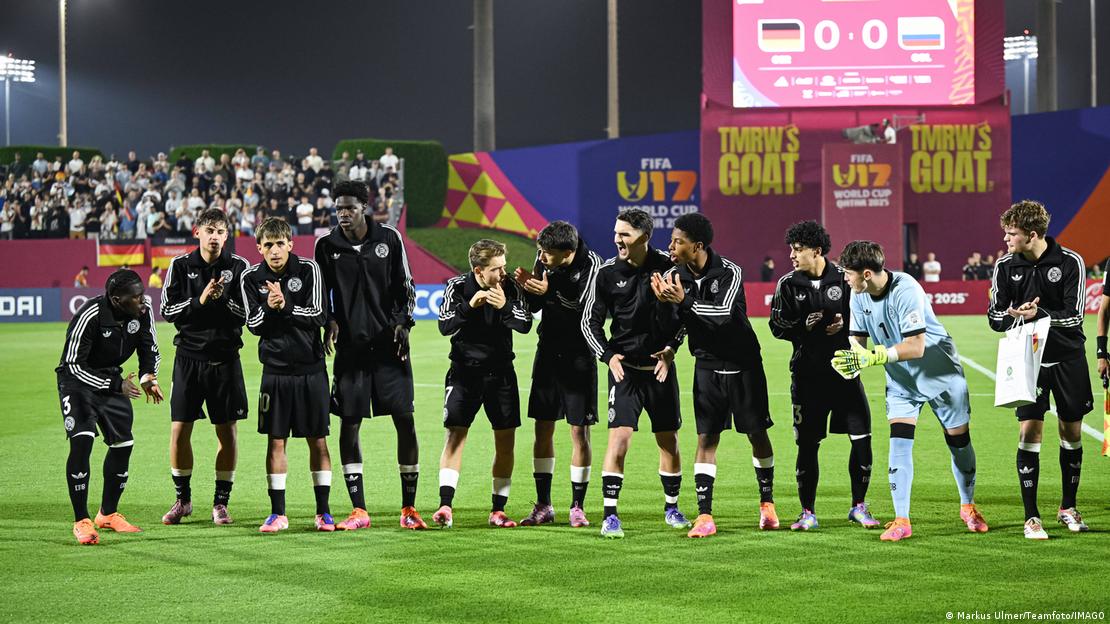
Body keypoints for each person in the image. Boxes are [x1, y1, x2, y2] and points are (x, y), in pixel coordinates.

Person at [832, 240, 988, 541]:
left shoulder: (906, 289)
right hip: (902, 383)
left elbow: (916, 347)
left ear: (866, 274)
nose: (845, 279)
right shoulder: (857, 295)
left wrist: (874, 356)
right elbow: (857, 340)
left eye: (848, 273)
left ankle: (968, 505)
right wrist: (854, 361)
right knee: (899, 443)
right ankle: (902, 519)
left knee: (959, 443)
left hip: (941, 375)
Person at [653, 213, 779, 538]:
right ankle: (705, 515)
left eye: (678, 241)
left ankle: (767, 504)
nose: (671, 246)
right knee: (706, 438)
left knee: (756, 434)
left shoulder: (729, 271)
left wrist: (684, 300)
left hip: (743, 364)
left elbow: (722, 313)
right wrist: (670, 344)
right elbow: (679, 322)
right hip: (706, 366)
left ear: (697, 246)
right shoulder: (672, 275)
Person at [314, 181, 427, 531]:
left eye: (349, 207)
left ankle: (409, 508)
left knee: (404, 420)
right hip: (351, 349)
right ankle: (358, 509)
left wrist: (403, 324)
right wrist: (329, 320)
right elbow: (321, 293)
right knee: (349, 422)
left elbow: (406, 288)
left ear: (364, 206)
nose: (343, 213)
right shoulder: (326, 245)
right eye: (338, 208)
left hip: (390, 347)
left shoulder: (389, 239)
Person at [582, 208, 690, 539]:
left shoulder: (670, 269)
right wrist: (607, 355)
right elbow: (589, 322)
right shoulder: (605, 273)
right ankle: (610, 515)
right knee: (620, 438)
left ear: (644, 237)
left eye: (624, 234)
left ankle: (672, 508)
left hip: (659, 369)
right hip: (625, 371)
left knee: (668, 440)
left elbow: (685, 318)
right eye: (616, 233)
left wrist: (671, 348)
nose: (617, 239)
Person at [988, 200, 1092, 539]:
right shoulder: (1005, 266)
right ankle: (1031, 517)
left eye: (1011, 234)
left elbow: (1075, 315)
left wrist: (1039, 314)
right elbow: (994, 317)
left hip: (1067, 358)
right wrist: (1014, 314)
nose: (1006, 239)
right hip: (1027, 360)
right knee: (1029, 432)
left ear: (1032, 235)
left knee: (1071, 433)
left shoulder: (1070, 261)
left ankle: (1068, 507)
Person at [769, 221, 878, 532]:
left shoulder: (845, 279)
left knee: (861, 438)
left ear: (816, 251)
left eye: (798, 249)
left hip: (845, 374)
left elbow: (865, 318)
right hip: (807, 378)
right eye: (791, 249)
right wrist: (803, 326)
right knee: (807, 445)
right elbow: (776, 326)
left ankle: (859, 506)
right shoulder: (787, 284)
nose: (792, 255)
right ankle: (807, 512)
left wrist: (844, 326)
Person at [240, 218, 334, 533]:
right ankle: (277, 513)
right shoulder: (250, 278)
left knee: (317, 440)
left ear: (290, 244)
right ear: (259, 248)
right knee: (276, 441)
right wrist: (270, 306)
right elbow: (253, 324)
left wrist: (286, 307)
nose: (275, 251)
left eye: (280, 244)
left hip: (311, 370)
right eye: (268, 245)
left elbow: (318, 314)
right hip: (275, 372)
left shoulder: (308, 270)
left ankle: (323, 512)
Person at [56, 269, 163, 545]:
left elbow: (149, 348)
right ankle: (81, 520)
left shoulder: (143, 311)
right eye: (136, 297)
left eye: (142, 294)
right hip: (78, 383)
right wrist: (115, 385)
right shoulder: (90, 315)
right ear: (116, 300)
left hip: (113, 380)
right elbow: (72, 364)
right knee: (82, 441)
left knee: (123, 444)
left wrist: (148, 377)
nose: (143, 300)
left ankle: (107, 514)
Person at [159, 209, 250, 526]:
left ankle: (221, 503)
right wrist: (199, 300)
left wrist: (223, 300)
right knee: (179, 430)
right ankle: (182, 500)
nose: (214, 236)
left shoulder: (239, 267)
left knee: (227, 432)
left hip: (225, 360)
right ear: (197, 231)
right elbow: (167, 309)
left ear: (227, 236)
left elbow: (248, 315)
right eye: (209, 230)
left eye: (220, 231)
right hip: (188, 359)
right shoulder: (180, 266)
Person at [433, 239, 532, 528]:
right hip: (464, 374)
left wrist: (505, 307)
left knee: (505, 441)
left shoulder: (510, 287)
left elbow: (525, 323)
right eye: (496, 269)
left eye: (504, 266)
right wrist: (469, 306)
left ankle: (498, 510)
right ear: (478, 271)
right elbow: (444, 325)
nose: (503, 273)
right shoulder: (457, 287)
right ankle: (445, 505)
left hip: (501, 375)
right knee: (455, 436)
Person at [512, 221, 602, 528]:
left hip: (579, 356)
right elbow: (536, 303)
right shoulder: (544, 260)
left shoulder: (592, 265)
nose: (541, 257)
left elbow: (585, 309)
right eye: (539, 251)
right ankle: (544, 505)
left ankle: (577, 506)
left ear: (568, 252)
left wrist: (551, 290)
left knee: (579, 432)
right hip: (548, 352)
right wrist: (527, 289)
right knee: (542, 427)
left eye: (547, 253)